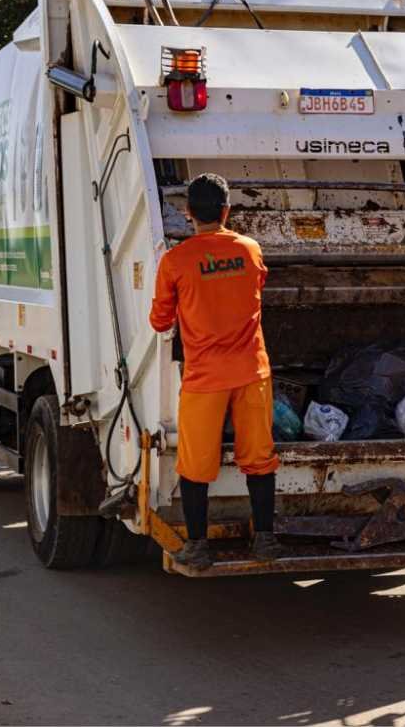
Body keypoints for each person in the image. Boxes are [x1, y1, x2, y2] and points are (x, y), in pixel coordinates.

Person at [149, 173, 281, 570]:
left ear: (188, 213)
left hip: (205, 378)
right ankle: (265, 541)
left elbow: (159, 321)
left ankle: (199, 546)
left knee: (195, 464)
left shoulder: (175, 261)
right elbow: (257, 286)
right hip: (251, 372)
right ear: (227, 210)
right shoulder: (250, 250)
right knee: (259, 458)